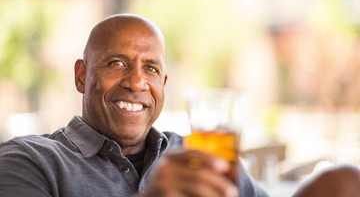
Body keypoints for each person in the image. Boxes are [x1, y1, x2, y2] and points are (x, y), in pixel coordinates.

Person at [0, 14, 268, 197]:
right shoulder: (27, 160)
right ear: (81, 76)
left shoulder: (201, 160)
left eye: (150, 69)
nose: (137, 82)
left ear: (163, 83)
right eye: (117, 63)